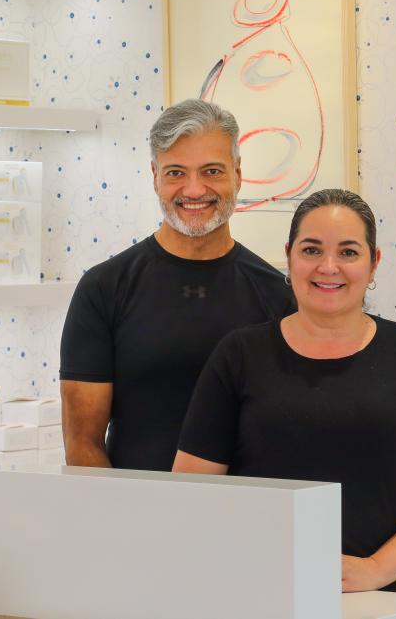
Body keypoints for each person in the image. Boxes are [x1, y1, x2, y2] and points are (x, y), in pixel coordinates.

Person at [173, 189, 396, 597]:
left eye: (348, 252)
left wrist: (374, 570)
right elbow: (193, 489)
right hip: (268, 590)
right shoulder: (239, 355)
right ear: (289, 256)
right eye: (311, 249)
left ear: (374, 263)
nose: (328, 267)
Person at [59, 99, 292, 471]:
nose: (194, 190)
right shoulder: (103, 289)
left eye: (212, 171)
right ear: (154, 176)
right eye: (175, 173)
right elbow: (82, 444)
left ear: (238, 173)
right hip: (138, 517)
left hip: (252, 518)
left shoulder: (278, 294)